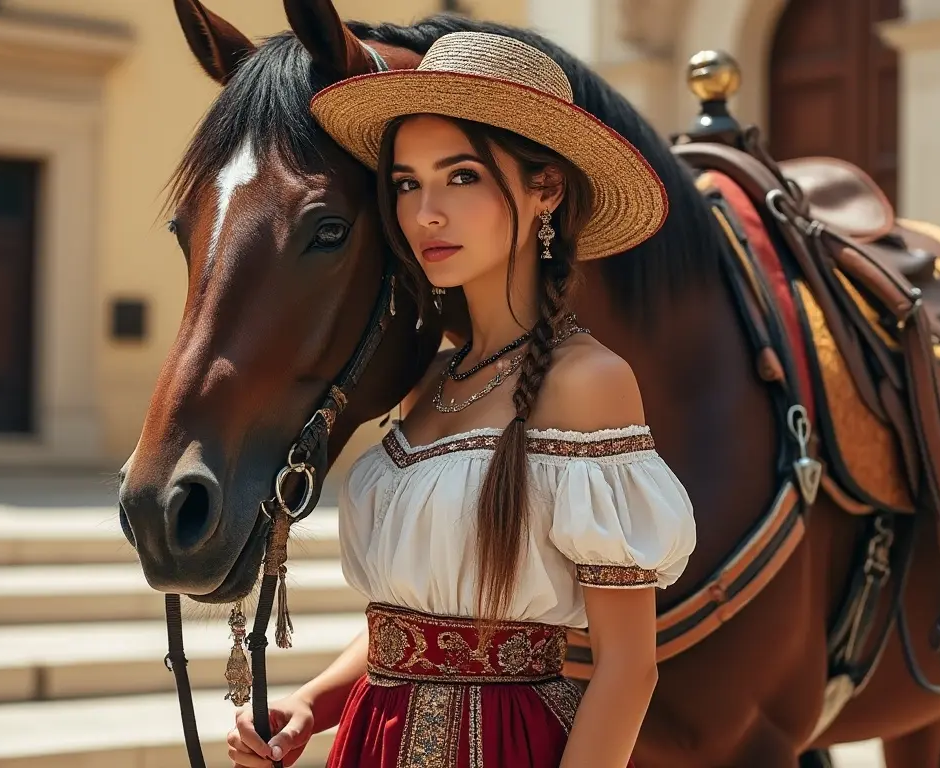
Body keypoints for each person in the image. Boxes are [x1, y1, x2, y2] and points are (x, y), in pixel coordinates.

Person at [226, 31, 696, 768]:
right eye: (408, 183)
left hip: (509, 746)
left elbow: (629, 667)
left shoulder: (589, 381)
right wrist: (311, 703)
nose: (425, 214)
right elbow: (418, 624)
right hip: (370, 742)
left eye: (463, 177)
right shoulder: (428, 377)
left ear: (547, 188)